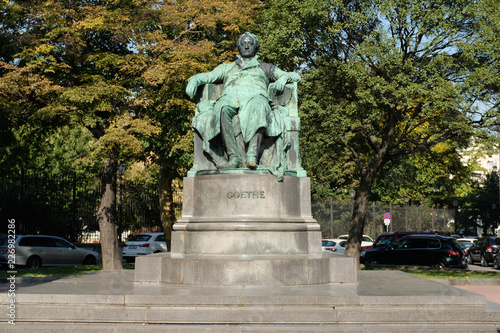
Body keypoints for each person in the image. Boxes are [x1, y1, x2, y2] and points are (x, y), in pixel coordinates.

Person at [186, 32, 301, 169]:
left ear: (255, 47)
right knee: (221, 108)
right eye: (243, 44)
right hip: (230, 99)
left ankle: (253, 155)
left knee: (260, 106)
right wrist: (193, 80)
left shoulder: (265, 67)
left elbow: (295, 76)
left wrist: (283, 78)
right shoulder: (227, 67)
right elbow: (208, 76)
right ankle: (234, 157)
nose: (246, 46)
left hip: (255, 98)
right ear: (239, 47)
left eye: (250, 43)